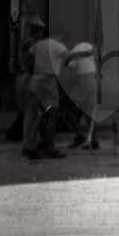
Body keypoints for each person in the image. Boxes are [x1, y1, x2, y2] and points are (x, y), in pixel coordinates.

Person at [22, 19, 68, 161]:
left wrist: (31, 71)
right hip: (49, 81)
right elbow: (69, 61)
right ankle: (49, 148)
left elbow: (28, 58)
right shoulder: (59, 46)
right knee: (51, 115)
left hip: (35, 79)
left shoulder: (38, 45)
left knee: (32, 115)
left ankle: (28, 146)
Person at [63, 39, 101, 150]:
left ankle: (80, 135)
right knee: (88, 111)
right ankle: (93, 140)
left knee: (67, 109)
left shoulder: (72, 51)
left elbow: (72, 74)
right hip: (94, 79)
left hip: (83, 79)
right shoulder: (89, 47)